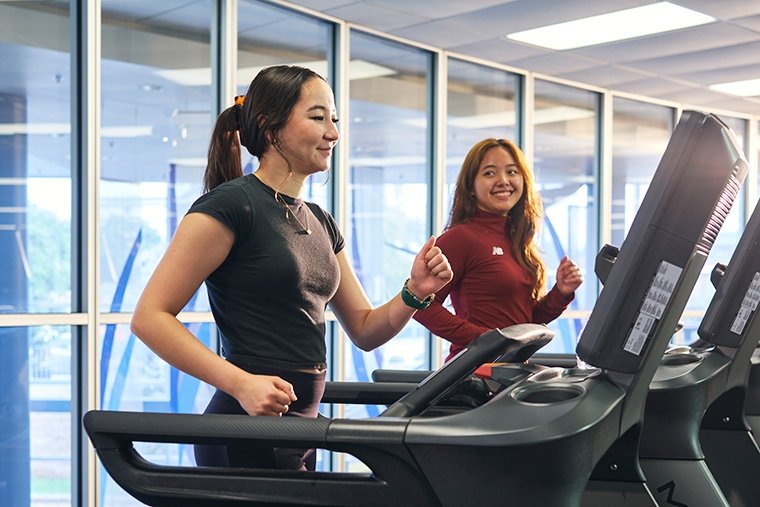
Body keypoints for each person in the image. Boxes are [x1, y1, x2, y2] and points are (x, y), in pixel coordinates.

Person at [130, 65, 452, 471]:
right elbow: (149, 317)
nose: (333, 133)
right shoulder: (232, 206)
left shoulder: (319, 220)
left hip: (301, 426)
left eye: (334, 119)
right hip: (246, 427)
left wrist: (415, 290)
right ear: (270, 127)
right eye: (317, 117)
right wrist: (240, 383)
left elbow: (367, 329)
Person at [414, 138, 582, 362]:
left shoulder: (519, 240)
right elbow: (421, 306)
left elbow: (525, 323)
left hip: (510, 371)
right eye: (490, 173)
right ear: (471, 186)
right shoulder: (461, 238)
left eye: (512, 172)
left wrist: (560, 292)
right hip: (474, 374)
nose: (503, 181)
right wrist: (487, 341)